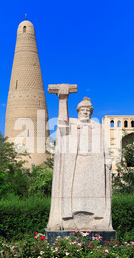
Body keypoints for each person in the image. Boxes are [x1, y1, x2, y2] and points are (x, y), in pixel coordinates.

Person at [47, 87, 113, 231]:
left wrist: (107, 158)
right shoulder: (71, 124)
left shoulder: (97, 127)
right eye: (83, 110)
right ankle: (68, 219)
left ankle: (96, 220)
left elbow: (103, 145)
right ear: (78, 111)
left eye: (88, 111)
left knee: (94, 193)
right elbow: (62, 124)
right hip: (75, 163)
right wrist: (63, 100)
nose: (85, 112)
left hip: (92, 163)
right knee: (72, 192)